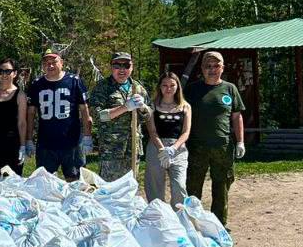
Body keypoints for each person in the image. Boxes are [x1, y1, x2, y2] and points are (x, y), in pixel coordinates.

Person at [180, 50, 246, 225]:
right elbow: (181, 112)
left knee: (222, 186)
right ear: (202, 68)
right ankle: (192, 222)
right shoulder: (193, 89)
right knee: (193, 186)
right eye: (208, 66)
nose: (212, 69)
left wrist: (240, 142)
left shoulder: (229, 89)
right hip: (196, 147)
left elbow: (237, 116)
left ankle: (218, 224)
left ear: (222, 68)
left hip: (222, 147)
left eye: (216, 66)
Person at [24, 47, 92, 181]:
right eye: (46, 63)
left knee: (75, 182)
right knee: (44, 183)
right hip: (46, 143)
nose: (50, 65)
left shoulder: (74, 81)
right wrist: (29, 139)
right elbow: (31, 114)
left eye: (54, 62)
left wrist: (87, 136)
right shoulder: (37, 84)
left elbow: (84, 110)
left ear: (62, 62)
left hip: (71, 143)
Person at [87, 50, 150, 183]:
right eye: (117, 65)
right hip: (112, 151)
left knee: (130, 190)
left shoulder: (137, 88)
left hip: (133, 149)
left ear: (132, 67)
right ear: (111, 67)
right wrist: (125, 107)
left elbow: (148, 115)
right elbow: (98, 116)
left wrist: (143, 108)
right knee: (110, 192)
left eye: (126, 65)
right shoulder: (102, 87)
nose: (122, 69)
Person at [144, 71, 191, 205]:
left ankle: (179, 216)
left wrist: (172, 149)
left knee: (179, 186)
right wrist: (162, 150)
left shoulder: (185, 106)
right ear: (159, 87)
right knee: (155, 188)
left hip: (178, 148)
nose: (168, 88)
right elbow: (152, 131)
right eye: (164, 85)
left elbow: (186, 132)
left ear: (178, 87)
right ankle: (159, 216)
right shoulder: (152, 106)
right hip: (156, 147)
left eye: (172, 85)